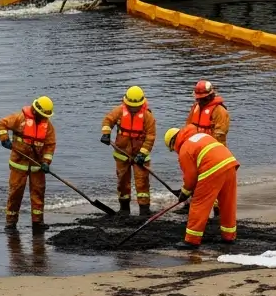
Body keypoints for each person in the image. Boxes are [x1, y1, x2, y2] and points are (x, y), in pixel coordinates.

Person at [165, 125, 238, 248]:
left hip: (213, 169)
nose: (175, 151)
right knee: (227, 203)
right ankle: (229, 237)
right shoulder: (200, 136)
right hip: (230, 164)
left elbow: (191, 178)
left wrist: (185, 193)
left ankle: (192, 240)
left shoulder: (185, 148)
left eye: (172, 148)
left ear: (173, 142)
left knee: (199, 204)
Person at [0, 96, 57, 233]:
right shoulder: (19, 119)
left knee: (38, 193)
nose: (43, 118)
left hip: (38, 167)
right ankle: (11, 223)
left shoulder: (48, 127)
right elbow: (1, 124)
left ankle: (37, 222)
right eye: (42, 115)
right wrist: (4, 138)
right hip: (19, 164)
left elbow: (50, 145)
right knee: (15, 194)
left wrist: (46, 162)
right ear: (35, 110)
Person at [101, 86, 156, 216]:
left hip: (140, 155)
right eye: (131, 106)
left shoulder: (147, 116)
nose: (133, 108)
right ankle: (124, 209)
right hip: (121, 153)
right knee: (122, 182)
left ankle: (144, 209)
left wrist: (142, 154)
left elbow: (150, 136)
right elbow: (108, 120)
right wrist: (106, 134)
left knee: (142, 182)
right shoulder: (119, 111)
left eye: (135, 106)